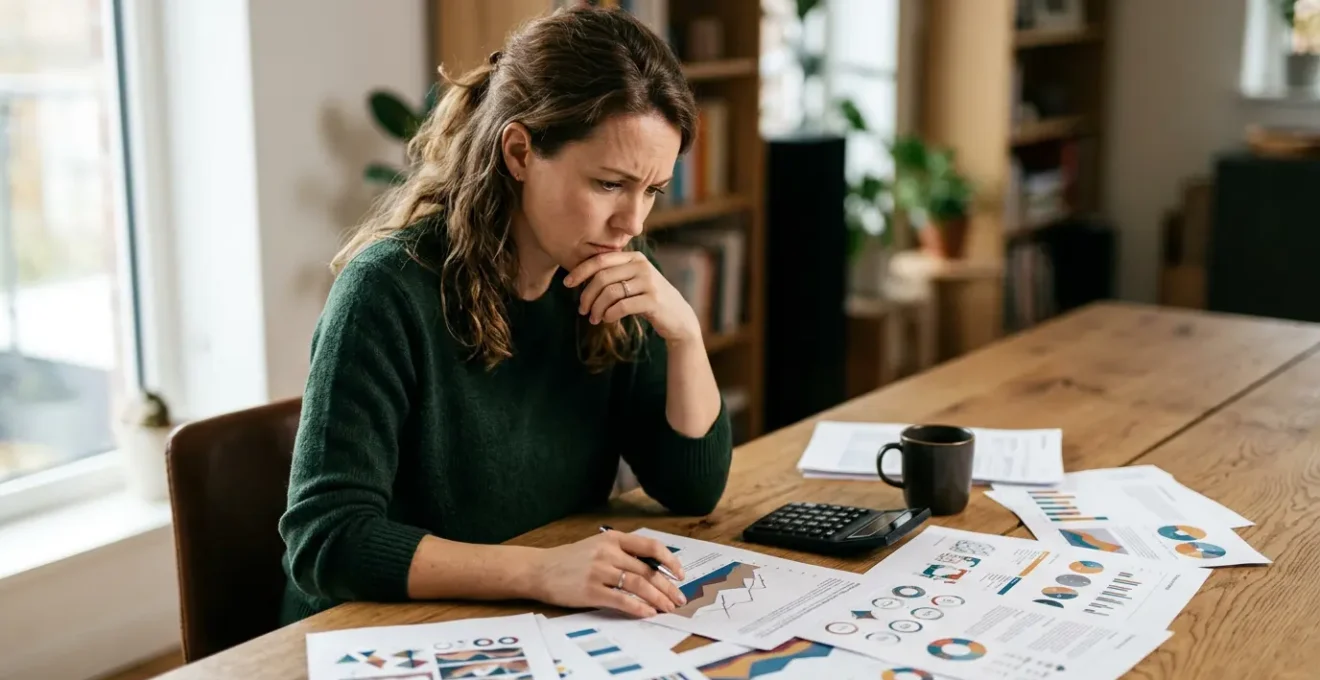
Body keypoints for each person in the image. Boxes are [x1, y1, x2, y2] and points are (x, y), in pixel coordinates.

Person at [276, 6, 734, 626]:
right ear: (519, 152)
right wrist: (540, 572)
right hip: (378, 633)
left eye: (651, 190)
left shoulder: (611, 266)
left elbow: (691, 488)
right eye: (608, 184)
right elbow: (326, 539)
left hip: (533, 623)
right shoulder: (385, 290)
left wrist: (684, 336)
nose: (633, 223)